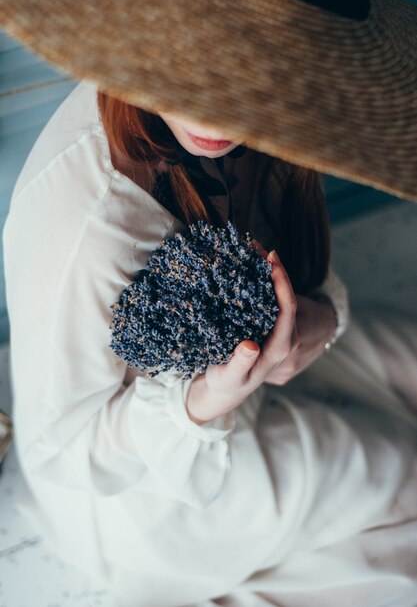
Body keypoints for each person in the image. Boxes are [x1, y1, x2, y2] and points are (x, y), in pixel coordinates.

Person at [2, 79, 417, 607]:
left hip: (259, 371)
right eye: (192, 73)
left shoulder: (283, 113)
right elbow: (63, 451)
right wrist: (202, 403)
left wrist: (318, 323)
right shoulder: (90, 217)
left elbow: (296, 255)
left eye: (241, 77)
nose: (218, 124)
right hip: (145, 485)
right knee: (404, 474)